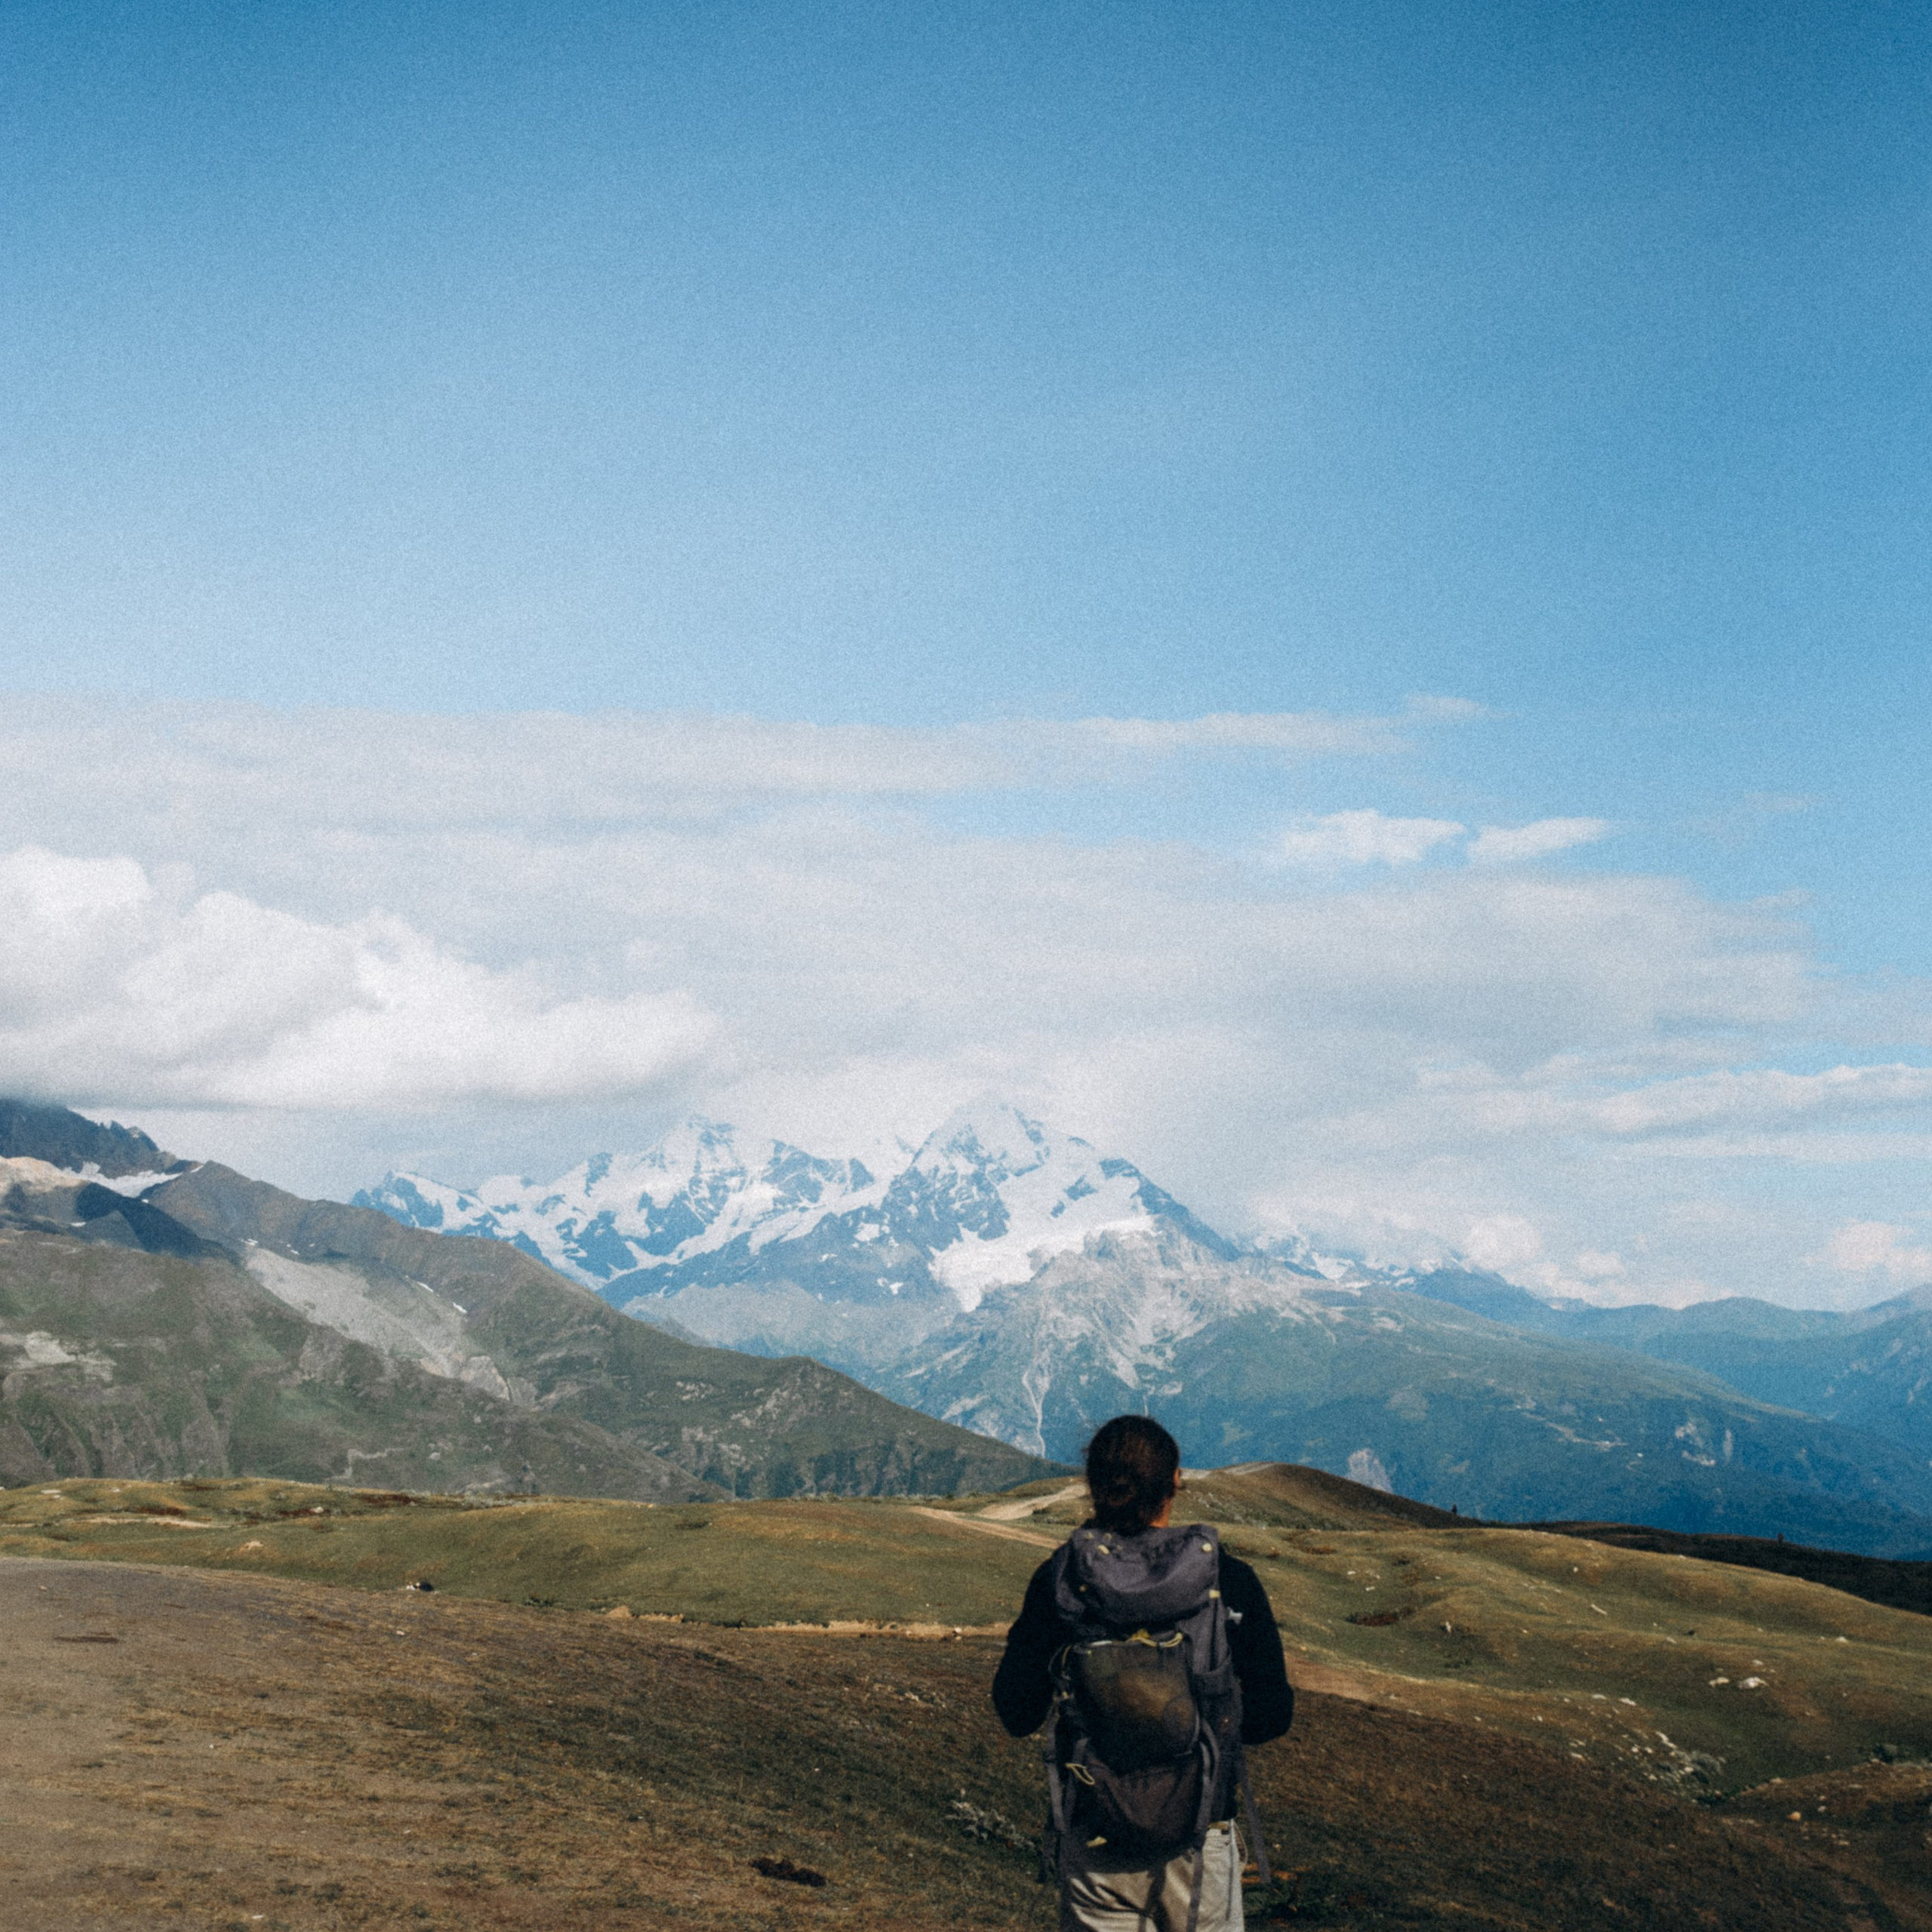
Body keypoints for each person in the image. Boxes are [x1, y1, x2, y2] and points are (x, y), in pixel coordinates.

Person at [993, 1416, 1294, 1932]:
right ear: (1175, 1481)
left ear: (1092, 1484)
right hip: (1201, 1837)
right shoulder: (1229, 1579)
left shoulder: (1059, 1580)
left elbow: (1016, 1712)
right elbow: (1272, 1716)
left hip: (1097, 1839)